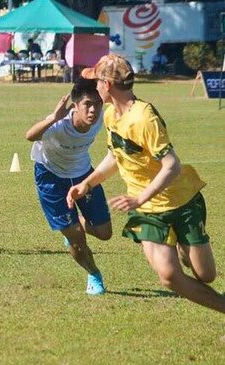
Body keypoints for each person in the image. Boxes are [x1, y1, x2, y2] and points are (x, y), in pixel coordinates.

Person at [68, 54, 225, 313]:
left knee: (205, 274)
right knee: (168, 276)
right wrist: (88, 183)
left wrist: (140, 197)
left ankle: (184, 247)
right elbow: (117, 155)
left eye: (96, 81)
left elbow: (172, 165)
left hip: (181, 201)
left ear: (107, 84)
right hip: (147, 211)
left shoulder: (144, 117)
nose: (94, 87)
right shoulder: (110, 115)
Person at [26, 78, 112, 295]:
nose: (93, 110)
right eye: (87, 105)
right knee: (77, 241)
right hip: (51, 177)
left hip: (83, 174)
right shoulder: (58, 124)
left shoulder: (101, 117)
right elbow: (30, 136)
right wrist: (54, 117)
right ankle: (93, 274)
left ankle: (75, 224)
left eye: (97, 104)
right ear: (75, 106)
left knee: (104, 233)